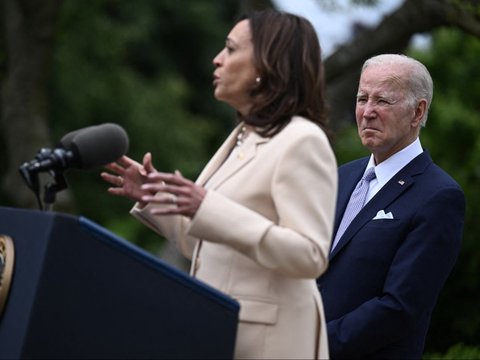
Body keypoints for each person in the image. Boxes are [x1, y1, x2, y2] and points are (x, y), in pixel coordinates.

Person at [101, 9, 337, 359]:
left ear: (266, 64)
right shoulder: (244, 136)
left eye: (230, 48)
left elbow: (310, 254)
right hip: (221, 331)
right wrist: (157, 196)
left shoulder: (302, 140)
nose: (217, 59)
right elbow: (205, 248)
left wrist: (207, 207)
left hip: (270, 344)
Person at [317, 54, 465, 359]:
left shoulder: (439, 196)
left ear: (417, 112)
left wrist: (313, 343)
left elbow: (399, 308)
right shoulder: (341, 176)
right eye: (362, 98)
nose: (367, 112)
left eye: (382, 101)